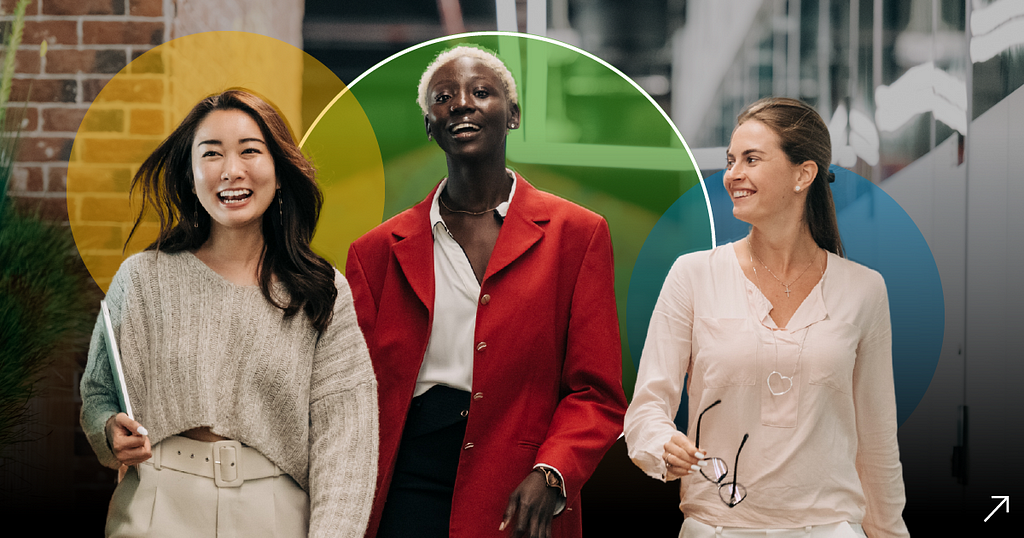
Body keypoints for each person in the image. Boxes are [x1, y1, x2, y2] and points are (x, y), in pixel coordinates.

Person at [345, 45, 627, 538]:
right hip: (403, 481)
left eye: (480, 92)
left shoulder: (576, 235)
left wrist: (553, 473)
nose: (461, 103)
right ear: (429, 125)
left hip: (521, 485)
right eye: (443, 97)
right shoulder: (375, 252)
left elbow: (596, 392)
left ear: (513, 115)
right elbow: (350, 393)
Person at [79, 89, 378, 537]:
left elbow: (347, 445)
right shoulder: (141, 279)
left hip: (275, 513)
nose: (231, 171)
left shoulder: (321, 290)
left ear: (279, 171)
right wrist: (109, 430)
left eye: (250, 151)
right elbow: (99, 393)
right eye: (211, 154)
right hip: (157, 504)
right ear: (190, 173)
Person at [623, 97, 910, 537]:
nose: (733, 174)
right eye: (731, 160)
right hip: (717, 527)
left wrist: (890, 533)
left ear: (803, 174)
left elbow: (876, 443)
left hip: (829, 529)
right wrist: (660, 444)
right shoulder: (693, 275)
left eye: (752, 159)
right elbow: (647, 409)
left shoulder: (864, 290)